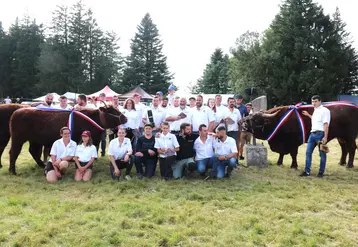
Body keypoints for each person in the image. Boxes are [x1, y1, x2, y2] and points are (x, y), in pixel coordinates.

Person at [300, 95, 331, 178]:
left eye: (315, 101)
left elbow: (326, 124)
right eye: (312, 101)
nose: (313, 103)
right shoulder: (315, 110)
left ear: (320, 101)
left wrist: (325, 137)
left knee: (322, 154)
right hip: (312, 134)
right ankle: (307, 172)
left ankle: (321, 173)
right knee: (308, 152)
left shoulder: (325, 111)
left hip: (320, 135)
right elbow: (316, 120)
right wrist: (308, 115)